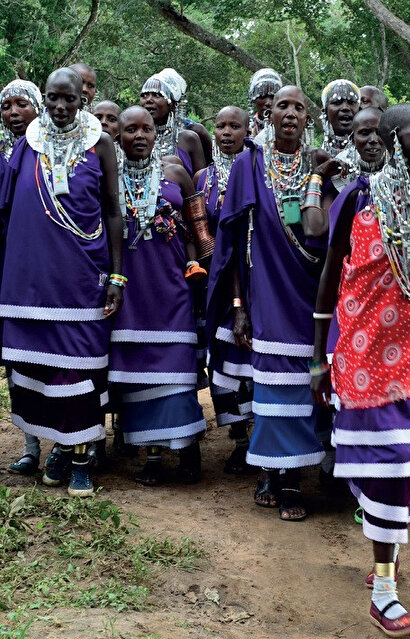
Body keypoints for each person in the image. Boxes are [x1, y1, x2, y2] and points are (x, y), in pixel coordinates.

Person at [311, 103, 410, 636]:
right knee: (380, 466)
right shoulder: (358, 197)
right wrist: (318, 357)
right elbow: (330, 278)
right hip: (357, 353)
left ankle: (384, 576)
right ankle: (385, 583)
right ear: (390, 135)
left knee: (398, 460)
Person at [207, 85, 340, 521]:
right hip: (265, 295)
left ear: (308, 118)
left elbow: (334, 235)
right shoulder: (249, 163)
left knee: (312, 387)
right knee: (273, 389)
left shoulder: (320, 164)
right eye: (282, 105)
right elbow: (230, 243)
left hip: (312, 295)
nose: (289, 113)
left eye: (298, 107)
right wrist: (238, 306)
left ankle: (304, 467)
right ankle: (283, 478)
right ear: (268, 114)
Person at [0, 67, 123, 496]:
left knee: (79, 372)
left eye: (68, 99)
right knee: (36, 367)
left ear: (82, 99)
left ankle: (83, 457)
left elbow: (112, 210)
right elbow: (7, 210)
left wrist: (116, 275)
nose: (59, 106)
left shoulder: (101, 143)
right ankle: (57, 448)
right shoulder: (26, 145)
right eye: (52, 98)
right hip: (30, 283)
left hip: (83, 279)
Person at [110, 106, 207, 485]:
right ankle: (151, 456)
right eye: (129, 129)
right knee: (139, 375)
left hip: (173, 289)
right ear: (119, 136)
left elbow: (200, 231)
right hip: (131, 289)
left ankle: (187, 448)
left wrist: (201, 270)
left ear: (156, 133)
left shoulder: (175, 173)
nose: (138, 136)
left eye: (145, 129)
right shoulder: (110, 176)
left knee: (177, 373)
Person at [195, 105, 253, 474]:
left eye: (235, 126)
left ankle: (259, 431)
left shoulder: (257, 172)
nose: (227, 132)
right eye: (221, 126)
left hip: (252, 278)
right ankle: (239, 438)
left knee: (248, 360)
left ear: (249, 130)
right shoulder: (202, 178)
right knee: (220, 360)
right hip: (214, 283)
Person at [1, 79, 44, 476]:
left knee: (59, 357)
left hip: (43, 271)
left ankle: (74, 443)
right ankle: (30, 446)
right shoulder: (6, 153)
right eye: (7, 106)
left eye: (22, 105)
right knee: (17, 361)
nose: (14, 112)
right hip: (7, 270)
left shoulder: (47, 153)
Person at [139, 71, 204, 175]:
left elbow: (202, 181)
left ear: (173, 105)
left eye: (157, 95)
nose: (149, 100)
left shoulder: (188, 137)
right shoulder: (134, 136)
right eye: (144, 95)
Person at [320, 79, 360, 157]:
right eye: (337, 103)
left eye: (351, 102)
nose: (346, 108)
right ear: (325, 111)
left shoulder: (372, 152)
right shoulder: (314, 157)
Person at [248, 68, 283, 138]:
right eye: (262, 96)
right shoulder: (245, 129)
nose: (268, 103)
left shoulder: (288, 127)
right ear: (253, 99)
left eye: (273, 96)